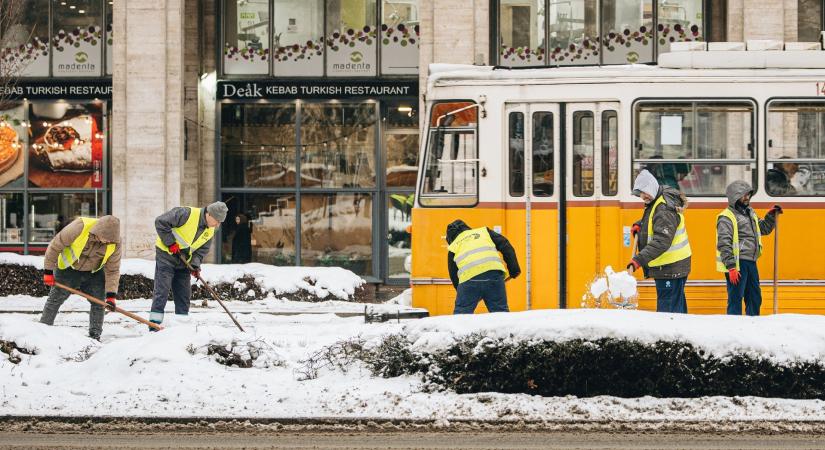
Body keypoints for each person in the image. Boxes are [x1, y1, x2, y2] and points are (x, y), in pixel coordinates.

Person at [40, 215, 122, 341]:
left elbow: (113, 270)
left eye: (110, 241)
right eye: (106, 239)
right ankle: (42, 331)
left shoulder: (115, 242)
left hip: (93, 273)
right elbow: (55, 245)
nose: (107, 242)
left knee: (98, 303)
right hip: (68, 269)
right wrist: (48, 271)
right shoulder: (80, 227)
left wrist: (111, 296)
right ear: (99, 231)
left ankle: (95, 336)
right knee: (55, 299)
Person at [150, 202, 228, 329]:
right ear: (209, 214)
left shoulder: (211, 230)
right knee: (162, 292)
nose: (217, 224)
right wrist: (171, 243)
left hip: (184, 262)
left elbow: (201, 251)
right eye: (217, 220)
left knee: (183, 295)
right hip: (166, 256)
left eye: (220, 222)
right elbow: (160, 222)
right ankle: (153, 326)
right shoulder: (186, 213)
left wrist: (195, 266)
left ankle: (182, 326)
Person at [627, 170, 692, 313]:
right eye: (640, 194)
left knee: (667, 314)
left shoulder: (664, 208)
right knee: (676, 308)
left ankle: (670, 335)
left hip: (670, 267)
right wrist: (641, 225)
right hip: (671, 266)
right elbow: (655, 222)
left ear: (651, 187)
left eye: (644, 192)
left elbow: (661, 241)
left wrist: (638, 260)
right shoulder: (658, 199)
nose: (642, 196)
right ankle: (681, 333)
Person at [717, 181, 782, 316]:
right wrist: (731, 267)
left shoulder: (750, 213)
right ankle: (734, 330)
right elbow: (724, 243)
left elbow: (763, 229)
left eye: (748, 194)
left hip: (751, 262)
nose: (747, 198)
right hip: (737, 264)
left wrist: (771, 216)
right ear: (734, 197)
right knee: (735, 299)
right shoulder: (726, 217)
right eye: (743, 195)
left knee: (754, 298)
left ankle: (753, 327)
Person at [446, 219, 520, 314]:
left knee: (461, 316)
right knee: (500, 313)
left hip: (469, 280)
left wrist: (463, 292)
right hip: (494, 276)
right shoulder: (484, 232)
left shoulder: (453, 246)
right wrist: (514, 269)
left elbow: (453, 273)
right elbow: (505, 245)